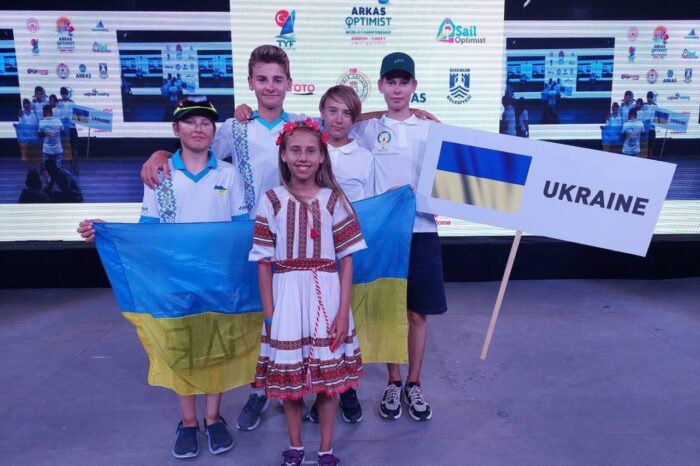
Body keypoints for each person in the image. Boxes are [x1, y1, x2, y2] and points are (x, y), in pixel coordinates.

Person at [140, 45, 312, 431]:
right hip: (247, 239)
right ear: (250, 82)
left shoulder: (301, 125)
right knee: (255, 317)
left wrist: (414, 114)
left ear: (289, 83)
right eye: (262, 79)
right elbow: (194, 148)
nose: (270, 86)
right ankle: (260, 388)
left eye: (277, 79)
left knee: (293, 315)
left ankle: (296, 389)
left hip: (296, 237)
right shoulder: (235, 127)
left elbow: (344, 122)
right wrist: (158, 154)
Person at [78, 98, 242, 459]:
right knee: (181, 350)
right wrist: (107, 232)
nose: (198, 128)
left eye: (206, 123)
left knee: (216, 350)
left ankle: (213, 418)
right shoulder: (161, 174)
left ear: (214, 131)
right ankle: (188, 422)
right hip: (174, 282)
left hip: (217, 280)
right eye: (190, 122)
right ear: (176, 129)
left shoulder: (228, 174)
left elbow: (241, 228)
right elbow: (148, 231)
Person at [250, 119, 366, 466]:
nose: (303, 157)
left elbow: (347, 259)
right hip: (286, 297)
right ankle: (296, 446)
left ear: (322, 157)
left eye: (311, 151)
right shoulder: (271, 201)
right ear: (283, 155)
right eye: (296, 150)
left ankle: (326, 448)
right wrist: (270, 316)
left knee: (328, 381)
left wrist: (342, 311)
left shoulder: (334, 200)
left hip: (326, 295)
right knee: (291, 380)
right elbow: (263, 263)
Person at [350, 52, 448, 422]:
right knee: (388, 309)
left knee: (417, 313)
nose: (397, 88)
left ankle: (414, 382)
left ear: (413, 86)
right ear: (380, 85)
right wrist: (378, 113)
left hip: (422, 231)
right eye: (390, 82)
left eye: (403, 82)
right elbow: (336, 120)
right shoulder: (366, 130)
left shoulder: (431, 129)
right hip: (382, 234)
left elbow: (449, 180)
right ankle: (393, 381)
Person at [305, 85, 374, 425]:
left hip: (346, 251)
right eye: (332, 110)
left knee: (344, 319)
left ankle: (346, 388)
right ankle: (321, 389)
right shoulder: (309, 149)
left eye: (347, 113)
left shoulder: (363, 156)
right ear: (321, 111)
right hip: (310, 251)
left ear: (354, 119)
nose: (338, 119)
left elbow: (372, 205)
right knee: (315, 321)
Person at [38, 104, 64, 191]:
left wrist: (47, 133)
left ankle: (49, 185)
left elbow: (40, 135)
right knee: (58, 168)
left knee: (46, 168)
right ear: (51, 112)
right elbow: (63, 132)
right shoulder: (58, 121)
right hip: (58, 149)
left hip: (47, 150)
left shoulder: (42, 122)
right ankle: (60, 186)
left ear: (44, 112)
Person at [59, 87, 79, 172]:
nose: (64, 95)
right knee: (68, 149)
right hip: (64, 129)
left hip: (71, 128)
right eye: (63, 93)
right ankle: (72, 166)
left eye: (65, 93)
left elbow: (77, 115)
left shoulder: (71, 103)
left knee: (74, 149)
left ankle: (75, 167)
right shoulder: (59, 103)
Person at [642, 91, 657, 157]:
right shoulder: (643, 105)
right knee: (644, 145)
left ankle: (650, 158)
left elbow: (657, 118)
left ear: (652, 98)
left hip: (652, 129)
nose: (649, 99)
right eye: (648, 97)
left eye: (650, 97)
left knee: (651, 146)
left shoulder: (655, 106)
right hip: (644, 129)